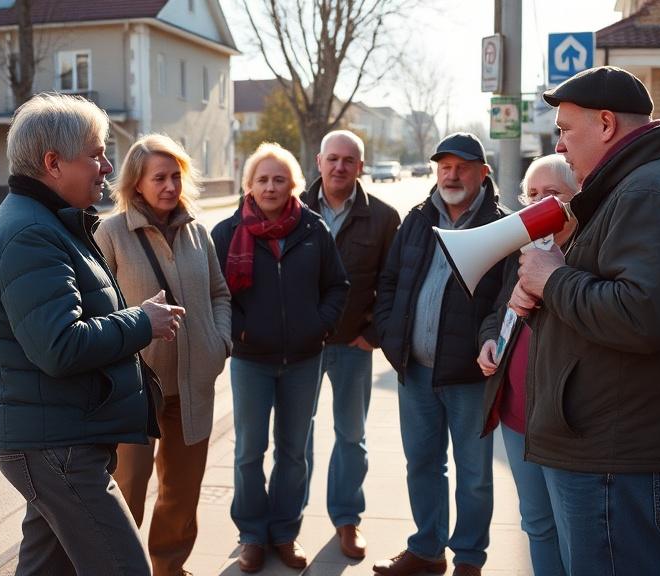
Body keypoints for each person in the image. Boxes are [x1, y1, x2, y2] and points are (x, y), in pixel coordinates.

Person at [509, 66, 660, 575]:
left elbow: (642, 317)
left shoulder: (649, 192)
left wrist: (553, 279)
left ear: (606, 124)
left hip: (627, 460)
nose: (560, 146)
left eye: (565, 130)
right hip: (651, 449)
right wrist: (560, 276)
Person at [0, 92, 185, 575]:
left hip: (60, 438)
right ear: (53, 164)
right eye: (95, 154)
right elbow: (60, 345)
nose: (107, 166)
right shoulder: (30, 234)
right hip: (56, 448)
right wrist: (143, 322)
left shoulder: (48, 221)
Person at [94, 133, 232, 576]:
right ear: (136, 183)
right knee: (128, 490)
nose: (170, 186)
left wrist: (219, 343)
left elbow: (219, 294)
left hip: (193, 387)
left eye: (176, 176)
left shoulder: (198, 233)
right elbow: (96, 309)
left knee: (182, 491)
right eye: (159, 178)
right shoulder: (111, 233)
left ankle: (170, 568)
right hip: (135, 390)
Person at [210, 142, 349, 573]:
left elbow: (337, 286)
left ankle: (285, 532)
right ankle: (252, 535)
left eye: (279, 179)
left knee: (293, 452)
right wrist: (240, 331)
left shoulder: (313, 229)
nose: (270, 187)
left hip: (303, 360)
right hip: (251, 360)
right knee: (249, 451)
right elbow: (215, 295)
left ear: (293, 185)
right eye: (263, 179)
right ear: (249, 185)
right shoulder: (226, 232)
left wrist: (318, 325)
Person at [373, 132, 506, 576]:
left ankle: (469, 558)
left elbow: (505, 301)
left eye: (462, 167)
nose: (451, 175)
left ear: (483, 173)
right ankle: (427, 549)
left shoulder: (501, 226)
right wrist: (390, 336)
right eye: (444, 167)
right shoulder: (417, 218)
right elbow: (390, 281)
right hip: (415, 372)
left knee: (474, 474)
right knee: (422, 465)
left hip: (469, 377)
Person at [300, 129, 401, 559]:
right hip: (300, 348)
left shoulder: (383, 217)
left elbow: (394, 282)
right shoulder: (292, 208)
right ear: (319, 162)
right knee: (295, 436)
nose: (339, 167)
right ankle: (286, 525)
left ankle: (346, 519)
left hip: (352, 345)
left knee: (351, 436)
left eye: (348, 160)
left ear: (360, 166)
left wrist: (374, 334)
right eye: (333, 158)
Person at [476, 154, 577, 576]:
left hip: (561, 421)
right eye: (532, 194)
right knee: (536, 523)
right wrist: (489, 339)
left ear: (577, 198)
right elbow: (499, 309)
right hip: (517, 415)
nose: (538, 203)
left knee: (573, 533)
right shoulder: (525, 252)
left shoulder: (585, 253)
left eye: (552, 194)